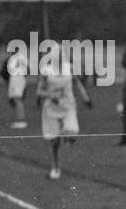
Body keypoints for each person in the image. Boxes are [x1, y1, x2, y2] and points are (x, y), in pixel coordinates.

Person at [36, 43, 92, 180]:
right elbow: (39, 91)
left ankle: (65, 139)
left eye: (62, 55)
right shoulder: (46, 71)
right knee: (54, 141)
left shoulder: (70, 68)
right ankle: (55, 168)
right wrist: (50, 95)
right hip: (51, 108)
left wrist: (86, 98)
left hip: (68, 106)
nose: (60, 57)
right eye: (57, 55)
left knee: (72, 134)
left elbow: (78, 83)